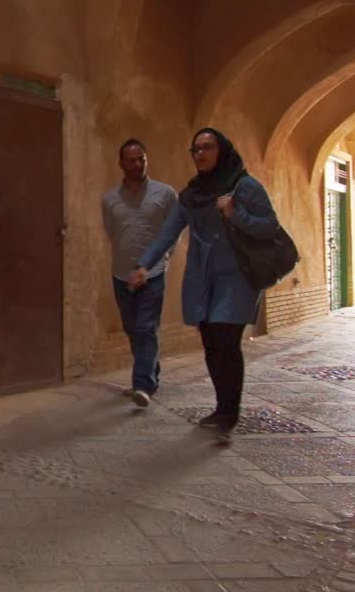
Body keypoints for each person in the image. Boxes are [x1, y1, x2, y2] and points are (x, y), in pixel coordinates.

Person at [128, 128, 281, 436]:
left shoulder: (246, 187)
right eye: (196, 149)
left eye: (208, 148)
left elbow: (270, 227)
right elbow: (168, 232)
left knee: (226, 340)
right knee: (211, 344)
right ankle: (222, 407)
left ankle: (229, 414)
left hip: (238, 278)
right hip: (202, 280)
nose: (201, 154)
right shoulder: (191, 195)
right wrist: (145, 266)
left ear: (221, 151)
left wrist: (236, 214)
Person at [101, 139, 177, 408]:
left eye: (141, 159)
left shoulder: (165, 194)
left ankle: (143, 385)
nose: (137, 165)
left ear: (147, 160)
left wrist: (160, 260)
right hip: (121, 274)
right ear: (121, 163)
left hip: (153, 273)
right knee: (133, 329)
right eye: (131, 160)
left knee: (146, 327)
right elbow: (112, 232)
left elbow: (172, 232)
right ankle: (148, 375)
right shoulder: (110, 199)